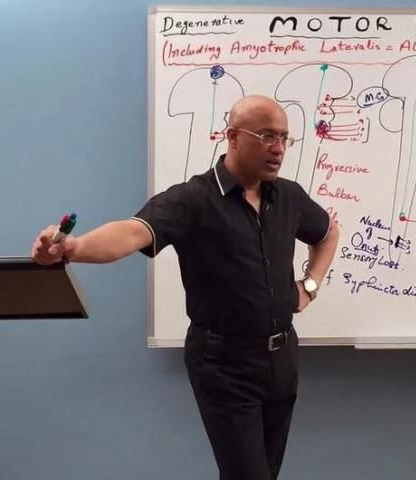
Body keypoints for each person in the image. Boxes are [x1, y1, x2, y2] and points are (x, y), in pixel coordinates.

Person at [31, 95, 340, 480]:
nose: (278, 148)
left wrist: (310, 285)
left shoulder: (288, 196)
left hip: (282, 358)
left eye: (284, 138)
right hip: (224, 363)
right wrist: (75, 248)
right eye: (266, 136)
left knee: (265, 472)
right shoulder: (193, 199)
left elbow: (328, 233)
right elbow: (132, 232)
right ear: (232, 137)